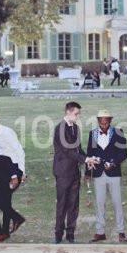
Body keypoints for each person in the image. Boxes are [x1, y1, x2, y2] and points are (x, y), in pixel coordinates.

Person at [52, 102, 96, 243]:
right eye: (76, 114)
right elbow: (68, 151)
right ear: (68, 112)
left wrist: (88, 159)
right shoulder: (60, 128)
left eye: (78, 114)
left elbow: (77, 149)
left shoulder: (76, 128)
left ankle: (70, 234)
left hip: (74, 172)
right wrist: (85, 159)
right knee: (62, 205)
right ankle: (58, 235)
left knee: (73, 205)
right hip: (63, 172)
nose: (78, 116)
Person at [86, 110, 127, 243]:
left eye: (106, 121)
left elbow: (123, 153)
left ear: (110, 121)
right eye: (101, 121)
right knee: (99, 204)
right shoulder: (92, 134)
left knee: (117, 203)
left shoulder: (118, 132)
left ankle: (121, 232)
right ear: (98, 121)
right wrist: (88, 173)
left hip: (114, 174)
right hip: (98, 174)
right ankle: (100, 232)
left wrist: (113, 163)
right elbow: (90, 153)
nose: (103, 124)